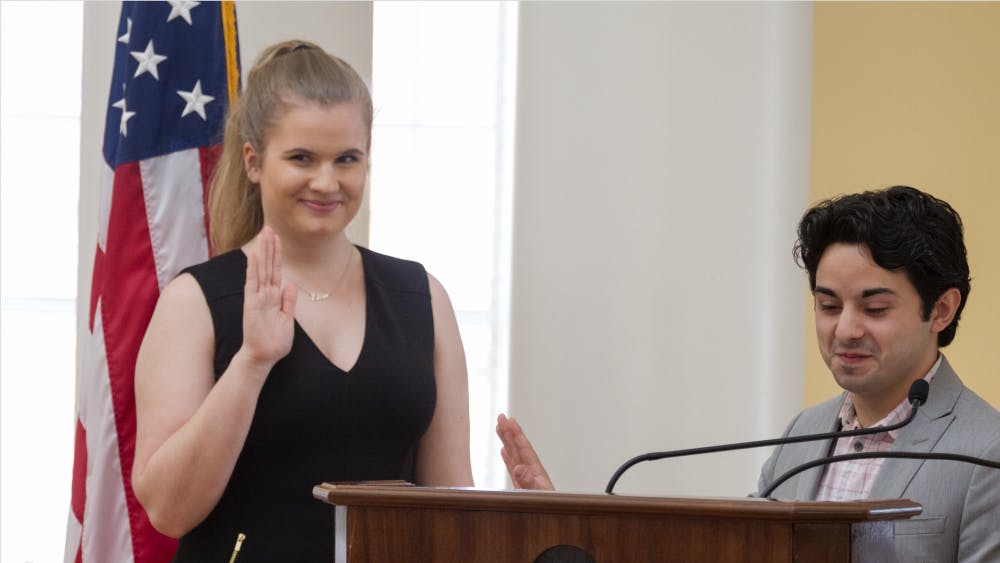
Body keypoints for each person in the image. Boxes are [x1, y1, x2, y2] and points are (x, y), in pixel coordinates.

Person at [497, 186, 999, 562]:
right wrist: (567, 524)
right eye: (828, 305)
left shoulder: (986, 454)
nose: (844, 329)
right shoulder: (804, 434)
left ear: (941, 310)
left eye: (875, 307)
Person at [132, 40, 473, 561]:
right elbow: (168, 510)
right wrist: (251, 364)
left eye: (347, 159)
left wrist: (527, 516)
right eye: (301, 158)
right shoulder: (195, 301)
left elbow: (452, 508)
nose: (326, 181)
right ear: (253, 161)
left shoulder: (422, 297)